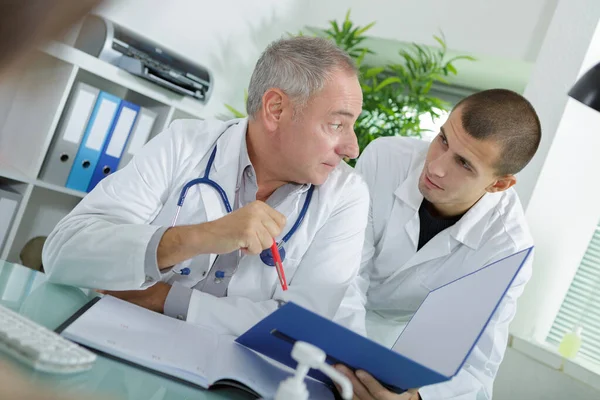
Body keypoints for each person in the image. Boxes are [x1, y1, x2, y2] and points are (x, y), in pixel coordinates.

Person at [42, 36, 369, 336]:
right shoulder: (183, 143)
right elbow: (63, 251)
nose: (352, 148)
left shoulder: (345, 195)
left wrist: (163, 297)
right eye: (337, 124)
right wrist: (200, 236)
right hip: (117, 340)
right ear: (276, 109)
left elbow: (298, 327)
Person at [336, 89, 541, 400]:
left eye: (464, 163)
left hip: (403, 366)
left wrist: (415, 399)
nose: (436, 167)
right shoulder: (385, 158)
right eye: (443, 139)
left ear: (499, 184)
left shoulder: (507, 248)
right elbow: (346, 273)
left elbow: (478, 370)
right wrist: (350, 358)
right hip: (334, 320)